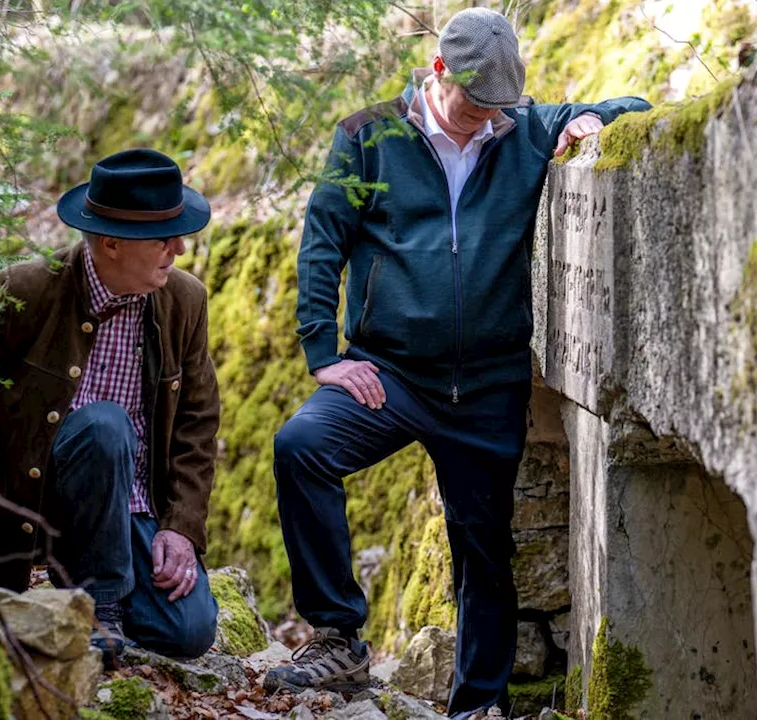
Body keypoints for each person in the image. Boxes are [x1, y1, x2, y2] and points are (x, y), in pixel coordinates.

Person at [265, 8, 651, 718]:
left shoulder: (523, 128)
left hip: (487, 385)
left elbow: (638, 106)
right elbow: (322, 242)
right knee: (302, 448)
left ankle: (478, 705)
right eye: (473, 105)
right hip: (392, 374)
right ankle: (339, 639)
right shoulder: (365, 137)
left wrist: (590, 118)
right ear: (438, 71)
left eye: (497, 108)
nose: (483, 120)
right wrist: (324, 354)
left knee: (484, 548)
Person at [0, 149, 222, 667]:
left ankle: (77, 599)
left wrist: (180, 526)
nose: (179, 248)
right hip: (26, 504)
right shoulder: (28, 290)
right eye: (164, 238)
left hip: (125, 505)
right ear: (110, 243)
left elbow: (198, 423)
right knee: (105, 425)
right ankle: (99, 608)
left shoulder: (185, 301)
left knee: (189, 632)